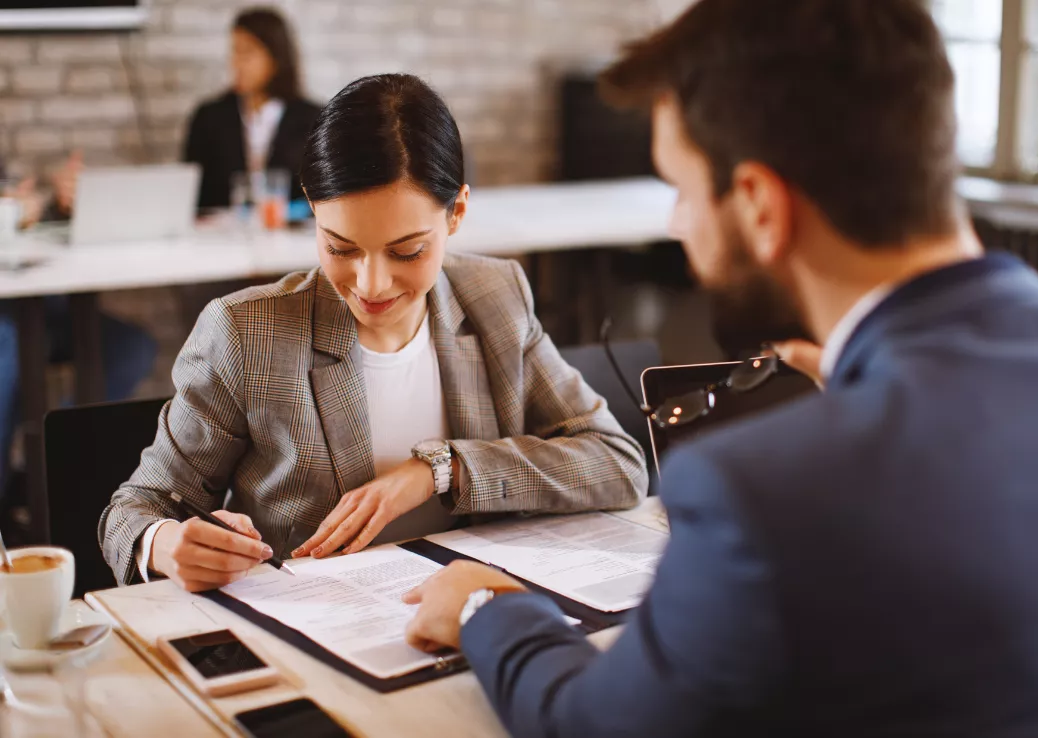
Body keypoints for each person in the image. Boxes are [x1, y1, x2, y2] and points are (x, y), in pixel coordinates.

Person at [401, 1, 1038, 736]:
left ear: (758, 205)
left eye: (680, 191)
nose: (678, 223)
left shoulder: (762, 491)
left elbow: (593, 726)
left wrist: (486, 607)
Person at [100, 73, 649, 592]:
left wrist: (442, 469)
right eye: (340, 248)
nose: (370, 283)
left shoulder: (495, 296)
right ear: (313, 210)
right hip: (315, 633)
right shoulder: (247, 332)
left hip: (470, 620)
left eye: (406, 251)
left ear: (456, 212)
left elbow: (618, 463)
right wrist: (165, 545)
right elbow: (134, 511)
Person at [0, 156, 156, 514]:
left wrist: (54, 203)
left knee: (130, 346)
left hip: (39, 300)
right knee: (8, 343)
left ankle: (55, 468)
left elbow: (21, 212)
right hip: (7, 313)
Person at [183, 8, 321, 211]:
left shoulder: (314, 119)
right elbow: (192, 194)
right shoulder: (209, 117)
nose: (236, 63)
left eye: (247, 52)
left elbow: (326, 194)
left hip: (292, 237)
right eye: (234, 51)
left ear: (275, 57)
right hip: (220, 237)